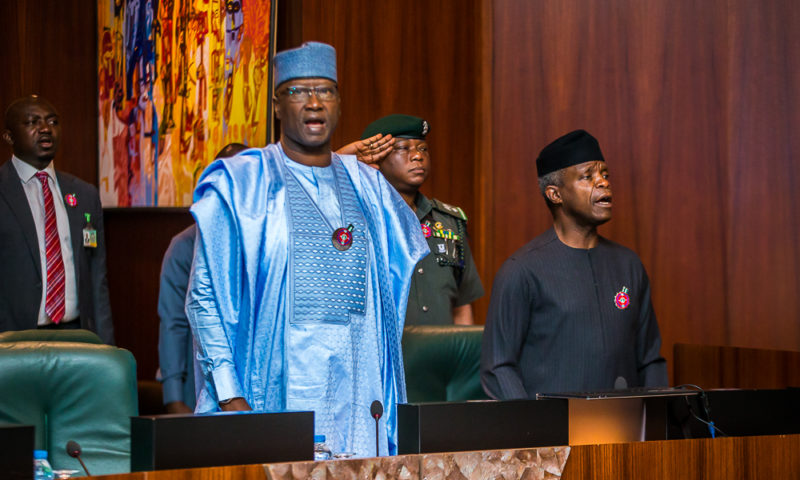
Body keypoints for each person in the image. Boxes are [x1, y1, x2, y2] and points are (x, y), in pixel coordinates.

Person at [186, 42, 428, 456]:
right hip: (278, 393)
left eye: (326, 91)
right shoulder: (244, 183)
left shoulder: (368, 184)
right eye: (299, 91)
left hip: (360, 395)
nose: (314, 102)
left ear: (339, 102)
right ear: (277, 105)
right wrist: (229, 395)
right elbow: (203, 299)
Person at [481, 129, 667, 400]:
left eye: (605, 174)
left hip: (624, 434)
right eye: (587, 176)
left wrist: (655, 426)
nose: (603, 183)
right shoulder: (521, 270)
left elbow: (650, 359)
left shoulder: (629, 265)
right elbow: (498, 367)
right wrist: (533, 432)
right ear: (555, 194)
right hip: (552, 436)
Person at [348, 114, 484, 325]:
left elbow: (462, 305)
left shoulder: (449, 222)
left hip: (443, 355)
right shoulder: (358, 220)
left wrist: (462, 356)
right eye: (403, 148)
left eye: (423, 149)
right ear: (374, 158)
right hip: (387, 356)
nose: (417, 156)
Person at [0, 95, 114, 344]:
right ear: (9, 137)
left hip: (77, 336)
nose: (44, 129)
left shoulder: (84, 194)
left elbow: (97, 277)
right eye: (32, 122)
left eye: (52, 121)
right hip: (13, 342)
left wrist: (106, 346)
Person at [157, 142, 248, 414]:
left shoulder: (271, 238)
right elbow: (173, 324)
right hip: (202, 382)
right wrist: (174, 399)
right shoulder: (185, 245)